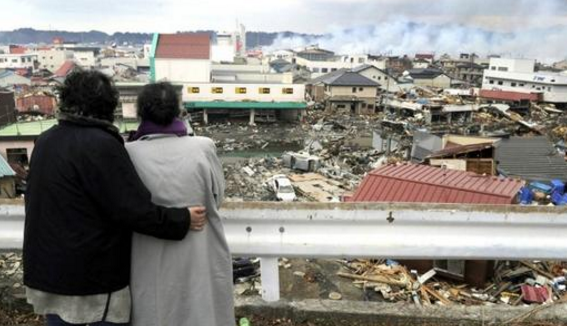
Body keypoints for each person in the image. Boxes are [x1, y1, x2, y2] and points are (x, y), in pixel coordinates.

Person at [23, 70, 207, 326]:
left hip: (46, 270)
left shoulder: (46, 140)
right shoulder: (101, 145)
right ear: (109, 105)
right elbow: (133, 209)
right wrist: (181, 219)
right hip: (90, 277)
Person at [126, 82, 234, 326]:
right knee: (200, 310)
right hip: (199, 249)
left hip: (148, 253)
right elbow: (218, 196)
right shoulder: (203, 147)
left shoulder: (128, 152)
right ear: (178, 111)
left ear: (141, 112)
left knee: (154, 311)